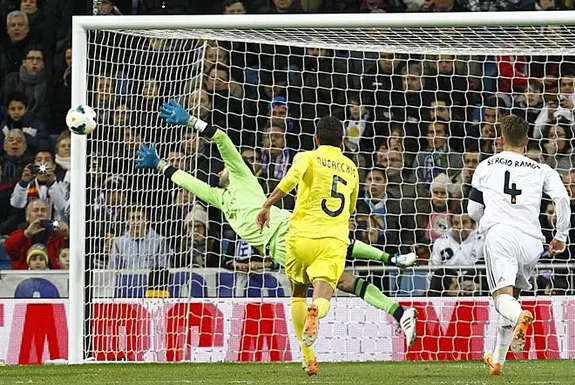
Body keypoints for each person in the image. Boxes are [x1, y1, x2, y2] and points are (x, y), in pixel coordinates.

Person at [136, 100, 417, 375]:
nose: (220, 171)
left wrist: (190, 121)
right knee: (339, 276)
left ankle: (390, 264)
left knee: (321, 279)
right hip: (282, 246)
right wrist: (160, 164)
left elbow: (222, 139)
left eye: (223, 169)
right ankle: (381, 307)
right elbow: (188, 182)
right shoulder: (219, 198)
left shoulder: (242, 176)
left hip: (287, 230)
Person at [468, 115, 570, 376]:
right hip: (532, 242)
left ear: (500, 140)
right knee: (511, 296)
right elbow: (562, 199)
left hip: (501, 236)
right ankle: (498, 361)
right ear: (526, 141)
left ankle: (519, 317)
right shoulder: (542, 169)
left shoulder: (486, 166)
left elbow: (473, 210)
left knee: (502, 298)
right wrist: (560, 235)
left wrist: (488, 221)